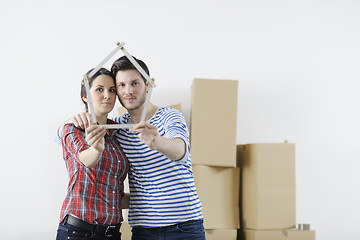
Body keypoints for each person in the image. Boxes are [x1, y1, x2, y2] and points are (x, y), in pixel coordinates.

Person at [59, 56, 205, 240]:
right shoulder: (118, 128)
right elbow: (67, 139)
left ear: (147, 85)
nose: (128, 91)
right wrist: (70, 121)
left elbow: (181, 151)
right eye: (120, 85)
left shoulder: (170, 116)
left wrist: (157, 142)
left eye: (134, 83)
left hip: (184, 226)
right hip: (143, 229)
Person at [56, 68, 129, 240]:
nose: (107, 95)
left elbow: (114, 193)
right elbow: (86, 159)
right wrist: (96, 148)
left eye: (112, 90)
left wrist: (156, 196)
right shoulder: (73, 128)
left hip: (112, 233)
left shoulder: (118, 133)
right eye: (99, 89)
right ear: (85, 96)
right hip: (78, 232)